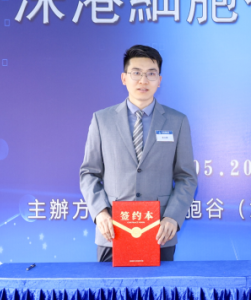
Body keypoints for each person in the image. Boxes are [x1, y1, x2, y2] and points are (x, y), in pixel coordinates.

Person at [80, 45, 197, 261]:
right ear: (124, 78)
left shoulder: (177, 121)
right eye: (136, 73)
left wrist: (172, 217)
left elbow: (186, 177)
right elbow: (89, 173)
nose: (143, 80)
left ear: (159, 80)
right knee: (109, 285)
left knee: (161, 285)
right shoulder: (102, 120)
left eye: (151, 74)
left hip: (159, 232)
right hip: (113, 232)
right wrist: (100, 212)